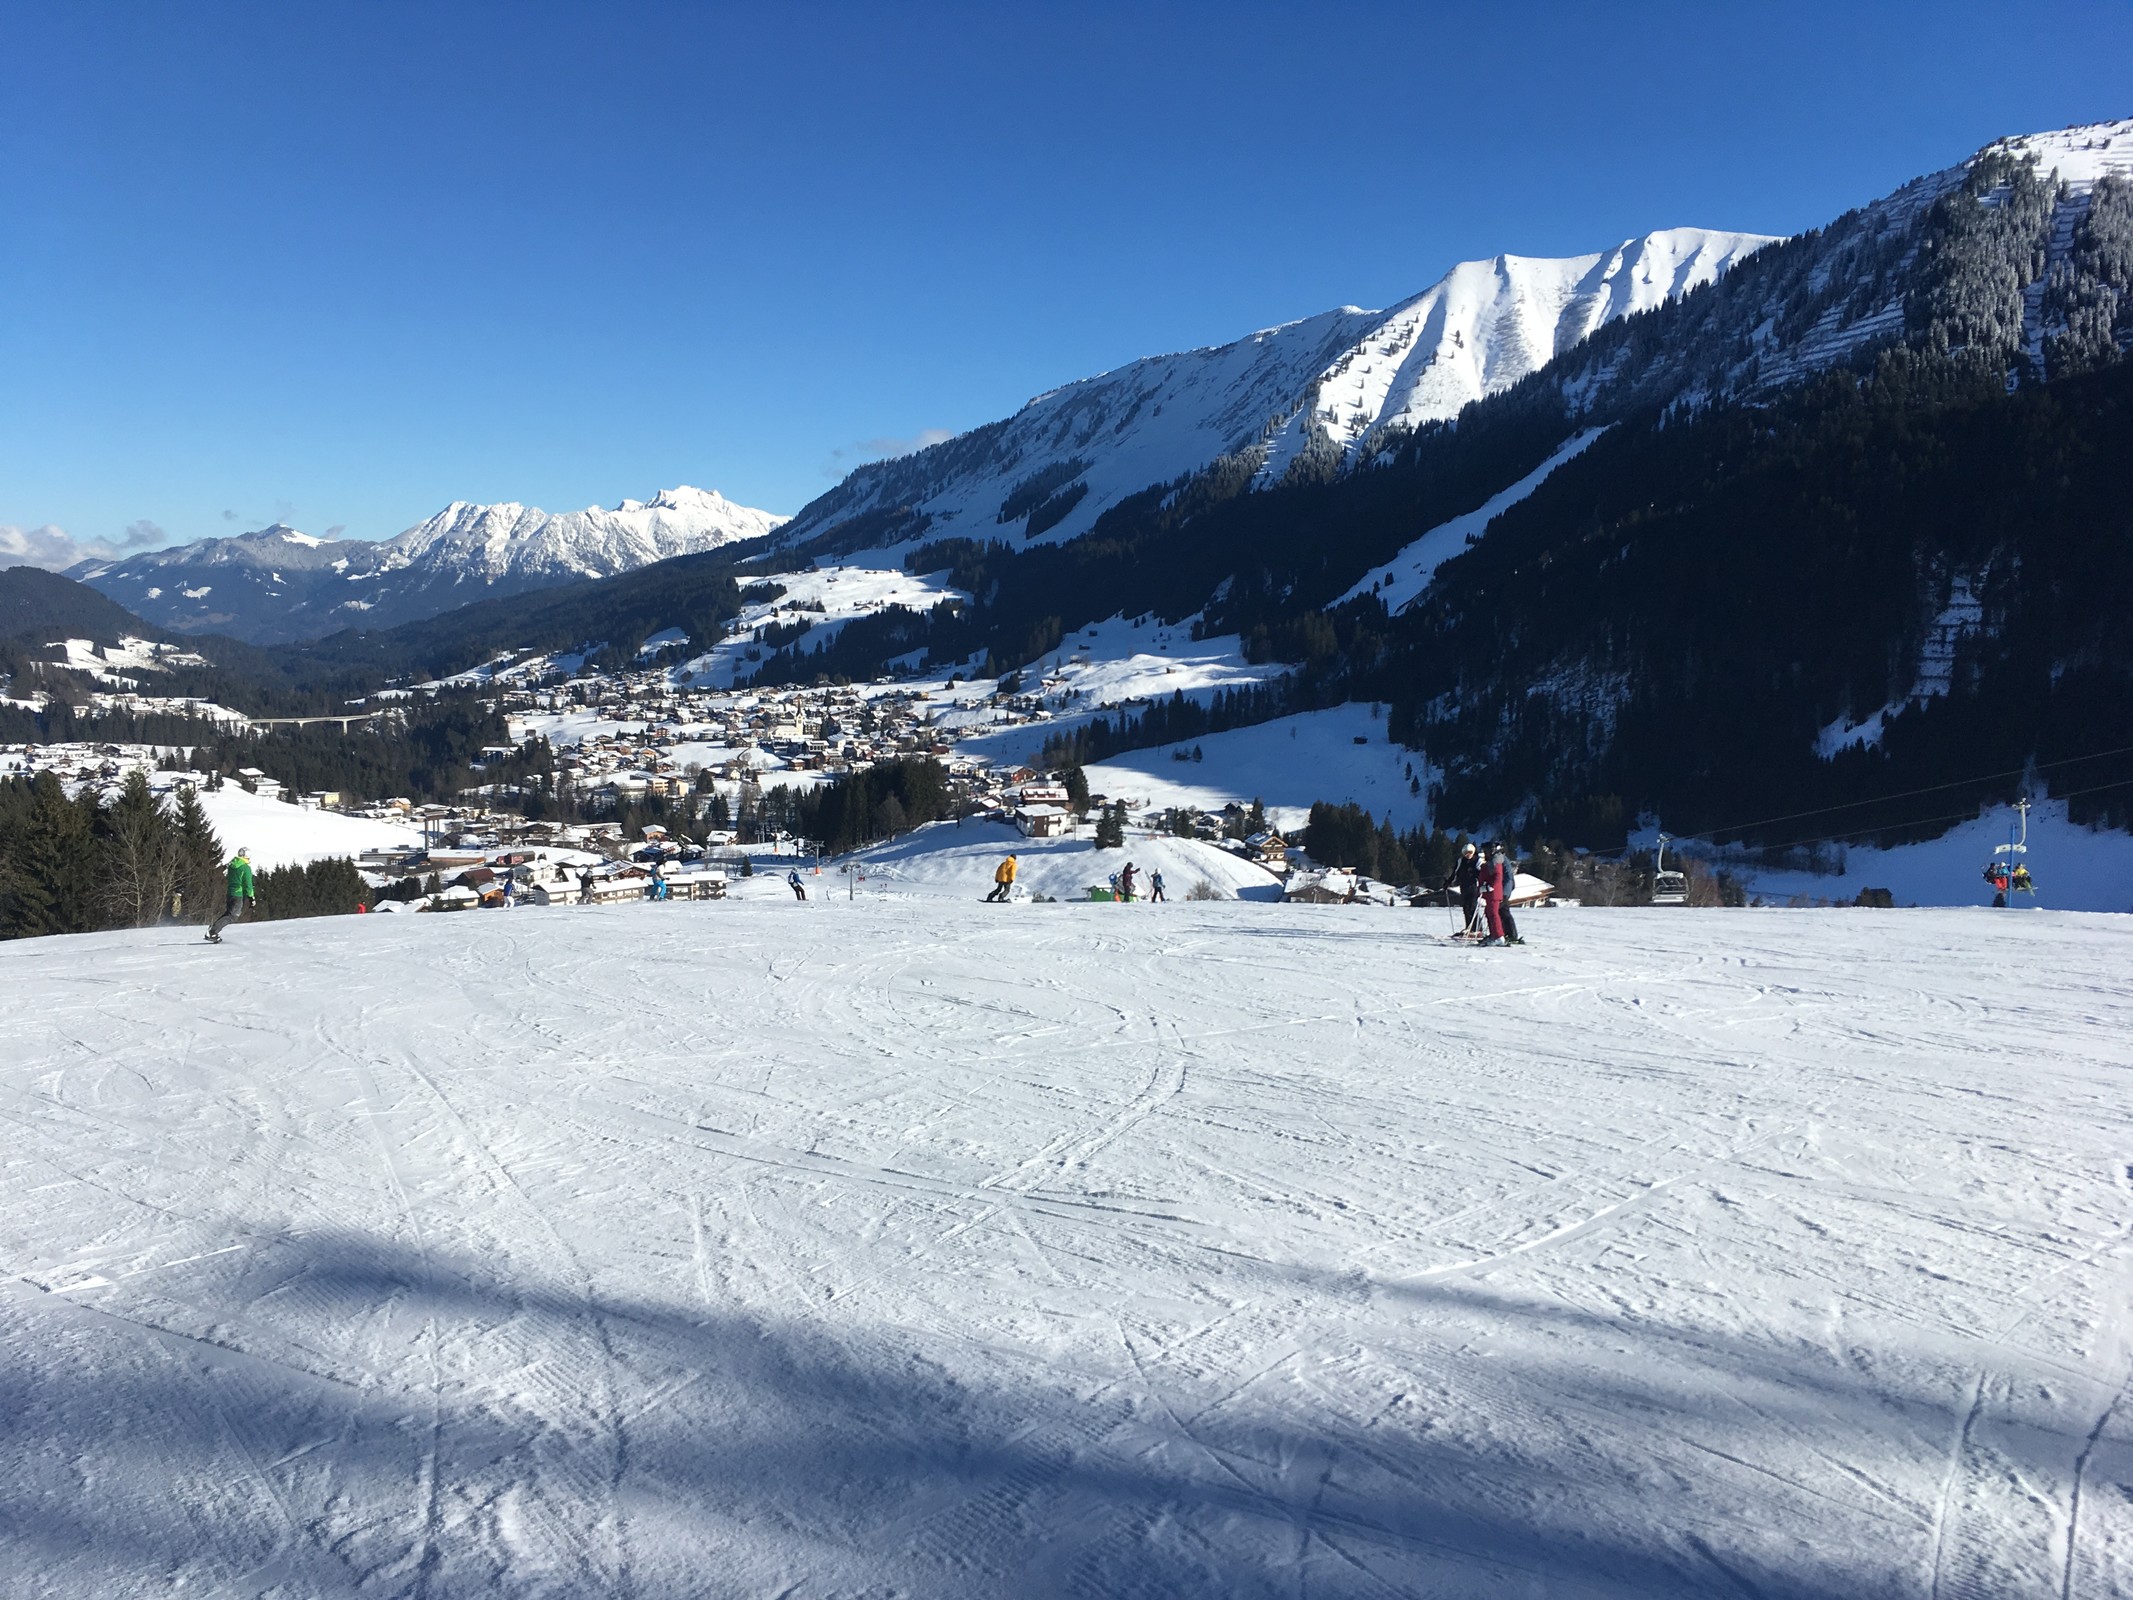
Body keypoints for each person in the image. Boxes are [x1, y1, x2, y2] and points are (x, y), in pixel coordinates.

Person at [205, 846, 255, 943]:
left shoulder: (232, 865)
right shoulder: (245, 868)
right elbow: (248, 884)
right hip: (238, 894)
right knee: (233, 916)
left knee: (229, 913)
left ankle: (213, 930)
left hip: (230, 893)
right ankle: (212, 931)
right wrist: (251, 897)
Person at [1443, 842, 1482, 937]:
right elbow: (1454, 873)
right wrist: (1448, 882)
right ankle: (1468, 927)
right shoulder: (1461, 861)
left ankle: (1476, 929)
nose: (1468, 854)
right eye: (1466, 852)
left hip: (1474, 886)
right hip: (1464, 886)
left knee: (1472, 907)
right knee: (1465, 908)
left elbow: (1482, 873)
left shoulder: (1478, 860)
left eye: (1470, 852)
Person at [1492, 844, 1524, 945]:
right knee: (1500, 912)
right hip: (1502, 890)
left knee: (1504, 912)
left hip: (1504, 891)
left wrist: (1505, 893)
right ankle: (1504, 932)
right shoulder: (1500, 858)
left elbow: (1507, 877)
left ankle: (1512, 934)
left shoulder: (1500, 858)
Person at [1479, 843, 1508, 946]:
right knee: (1489, 913)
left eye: (1486, 851)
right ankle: (1494, 934)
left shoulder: (1496, 861)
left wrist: (1490, 886)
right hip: (1489, 893)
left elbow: (1498, 876)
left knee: (1493, 914)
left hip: (1493, 893)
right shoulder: (1491, 862)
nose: (1484, 853)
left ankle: (1499, 936)